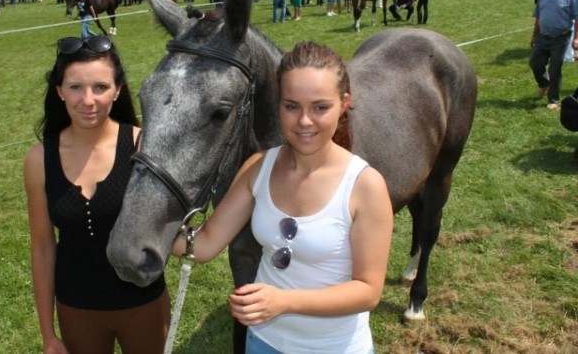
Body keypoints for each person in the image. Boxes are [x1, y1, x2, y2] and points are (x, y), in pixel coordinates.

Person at [173, 40, 394, 354]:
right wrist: (147, 227)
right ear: (278, 104)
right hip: (264, 342)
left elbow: (368, 291)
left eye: (320, 107)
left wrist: (283, 301)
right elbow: (206, 242)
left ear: (344, 102)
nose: (304, 121)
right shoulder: (260, 167)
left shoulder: (364, 186)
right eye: (292, 106)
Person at [24, 36, 170, 354]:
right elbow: (43, 248)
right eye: (76, 87)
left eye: (100, 87)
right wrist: (48, 334)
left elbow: (168, 228)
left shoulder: (143, 147)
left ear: (117, 90)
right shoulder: (39, 160)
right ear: (59, 90)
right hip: (77, 308)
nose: (88, 100)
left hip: (142, 302)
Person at [529, 0, 578, 110]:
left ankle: (553, 99)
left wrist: (576, 38)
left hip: (561, 37)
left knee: (555, 68)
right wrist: (534, 36)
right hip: (543, 36)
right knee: (535, 63)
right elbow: (538, 18)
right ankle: (544, 84)